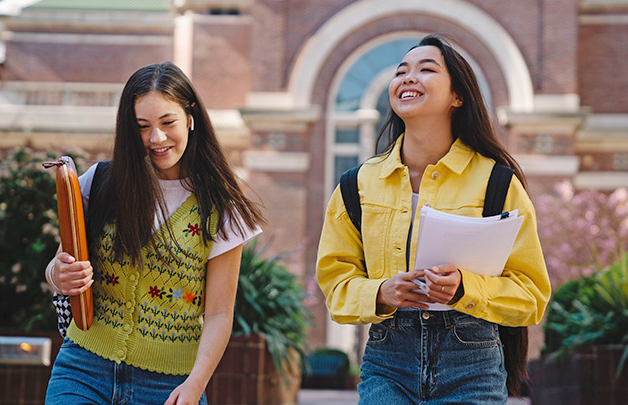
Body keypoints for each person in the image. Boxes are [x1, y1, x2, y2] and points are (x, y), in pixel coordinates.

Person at [316, 34, 551, 404]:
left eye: (426, 69)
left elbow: (531, 296)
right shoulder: (356, 186)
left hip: (473, 363)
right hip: (387, 363)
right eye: (401, 72)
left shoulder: (497, 183)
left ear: (458, 97)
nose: (408, 78)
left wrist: (464, 288)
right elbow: (335, 285)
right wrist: (381, 292)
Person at [44, 62, 264, 405]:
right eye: (143, 126)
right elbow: (58, 268)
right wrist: (60, 274)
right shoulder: (98, 182)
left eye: (167, 122)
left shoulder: (220, 205)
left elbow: (220, 313)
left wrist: (195, 385)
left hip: (169, 386)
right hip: (83, 369)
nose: (156, 138)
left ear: (191, 117)